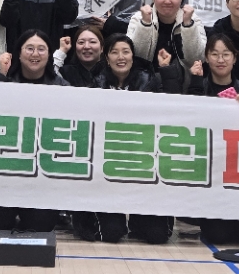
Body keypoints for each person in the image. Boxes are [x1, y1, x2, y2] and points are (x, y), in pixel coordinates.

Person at [72, 36, 179, 244]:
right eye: (114, 52)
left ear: (133, 56)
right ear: (107, 57)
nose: (120, 57)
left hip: (144, 166)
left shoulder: (150, 82)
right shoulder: (95, 85)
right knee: (111, 233)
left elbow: (175, 108)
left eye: (126, 52)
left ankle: (139, 221)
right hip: (107, 168)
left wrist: (166, 70)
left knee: (157, 235)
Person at [0, 29, 66, 233]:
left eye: (41, 49)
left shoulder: (62, 88)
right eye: (29, 48)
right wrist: (1, 75)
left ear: (49, 54)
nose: (35, 54)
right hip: (5, 170)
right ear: (18, 53)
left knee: (41, 225)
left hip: (42, 174)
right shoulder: (3, 80)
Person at [187, 34, 239, 246]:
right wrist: (195, 83)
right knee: (218, 236)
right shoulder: (199, 87)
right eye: (214, 54)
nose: (220, 60)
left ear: (234, 58)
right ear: (206, 58)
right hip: (210, 174)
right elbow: (190, 121)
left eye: (226, 54)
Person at [128, 0, 203, 88]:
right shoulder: (138, 18)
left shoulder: (193, 19)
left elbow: (197, 58)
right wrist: (145, 24)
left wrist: (188, 25)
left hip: (181, 89)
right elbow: (135, 56)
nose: (167, 1)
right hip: (143, 87)